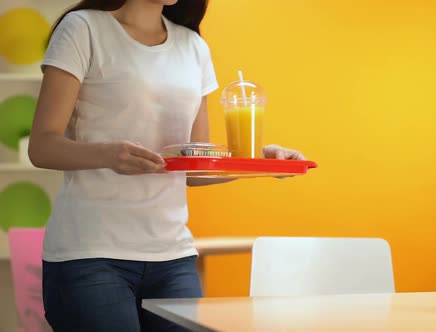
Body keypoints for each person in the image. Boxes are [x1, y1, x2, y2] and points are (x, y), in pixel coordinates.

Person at [28, 0, 305, 331]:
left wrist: (260, 160)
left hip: (173, 258)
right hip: (90, 254)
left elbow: (196, 166)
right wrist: (108, 155)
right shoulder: (84, 28)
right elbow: (42, 146)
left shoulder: (193, 46)